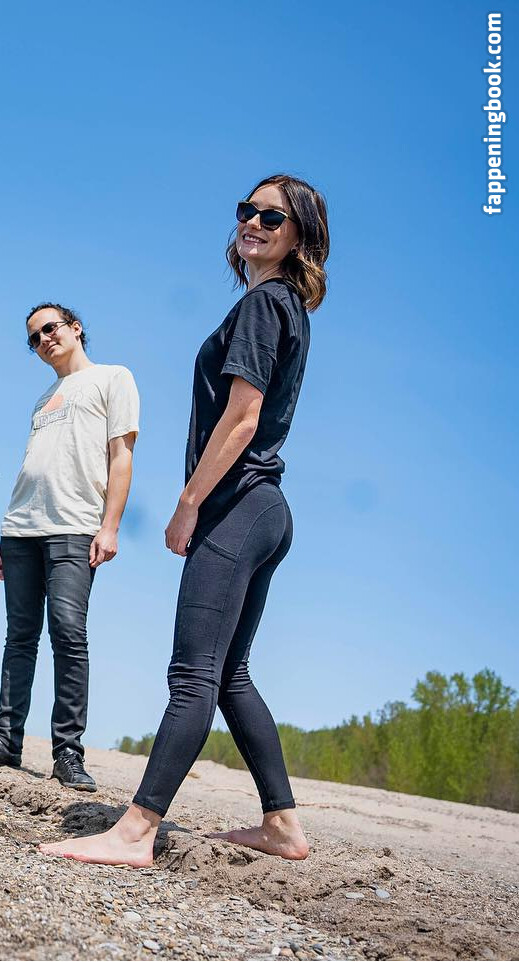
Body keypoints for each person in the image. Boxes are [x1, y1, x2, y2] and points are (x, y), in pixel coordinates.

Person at [40, 172, 329, 863]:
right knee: (229, 676)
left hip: (236, 506)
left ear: (299, 238)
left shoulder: (264, 306)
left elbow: (243, 417)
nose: (253, 222)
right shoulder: (287, 308)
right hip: (267, 510)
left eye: (272, 217)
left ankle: (135, 831)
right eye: (247, 210)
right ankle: (282, 825)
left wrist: (188, 503)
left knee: (193, 674)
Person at [0, 304, 139, 791]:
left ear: (75, 328)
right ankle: (5, 743)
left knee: (67, 632)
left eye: (50, 328)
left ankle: (67, 753)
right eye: (34, 338)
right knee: (19, 637)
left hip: (75, 526)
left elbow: (121, 457)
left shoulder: (113, 378)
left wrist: (110, 526)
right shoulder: (43, 399)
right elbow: (33, 467)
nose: (43, 339)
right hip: (20, 528)